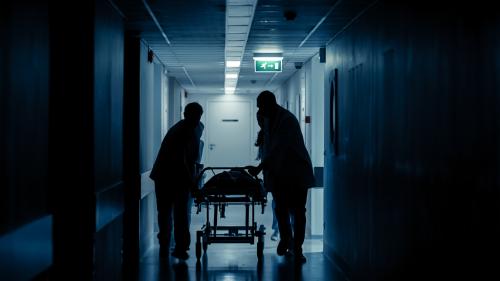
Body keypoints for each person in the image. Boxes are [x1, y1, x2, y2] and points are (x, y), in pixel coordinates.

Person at [249, 91, 315, 264]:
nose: (259, 112)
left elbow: (279, 148)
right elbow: (269, 149)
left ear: (269, 104)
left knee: (298, 211)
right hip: (279, 174)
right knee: (281, 209)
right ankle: (287, 239)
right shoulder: (267, 119)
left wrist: (259, 168)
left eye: (260, 107)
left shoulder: (287, 121)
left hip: (296, 172)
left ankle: (297, 248)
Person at [150, 102, 204, 260]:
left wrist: (193, 180)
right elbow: (182, 162)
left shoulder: (194, 128)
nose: (196, 120)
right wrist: (193, 184)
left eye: (198, 117)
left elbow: (191, 158)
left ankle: (176, 245)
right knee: (173, 213)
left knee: (174, 213)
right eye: (194, 117)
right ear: (186, 115)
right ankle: (174, 245)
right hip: (166, 178)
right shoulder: (181, 131)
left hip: (173, 176)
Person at [254, 111, 280, 241]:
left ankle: (282, 233)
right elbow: (263, 156)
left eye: (261, 120)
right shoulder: (263, 134)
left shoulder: (277, 133)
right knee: (277, 203)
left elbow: (273, 154)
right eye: (259, 121)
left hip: (282, 172)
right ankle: (277, 231)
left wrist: (259, 168)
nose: (260, 123)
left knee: (284, 205)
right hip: (270, 173)